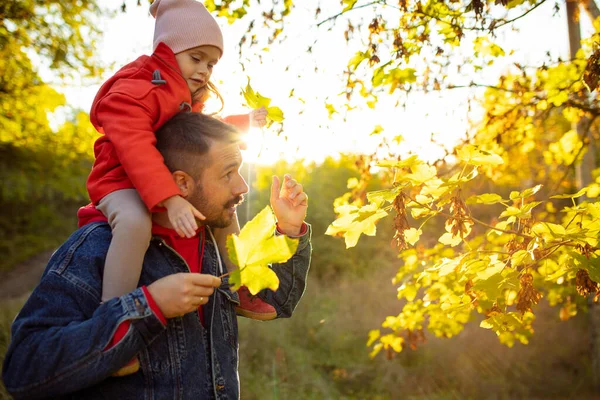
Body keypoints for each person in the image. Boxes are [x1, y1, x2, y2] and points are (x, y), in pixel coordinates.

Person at [2, 112, 311, 399]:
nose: (242, 186)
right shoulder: (98, 247)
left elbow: (276, 302)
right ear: (182, 183)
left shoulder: (215, 240)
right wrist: (149, 306)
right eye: (228, 174)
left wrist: (290, 228)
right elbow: (23, 371)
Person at [87, 0, 273, 339]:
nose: (204, 70)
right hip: (121, 180)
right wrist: (169, 198)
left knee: (224, 209)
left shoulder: (183, 95)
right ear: (166, 51)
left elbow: (199, 133)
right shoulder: (137, 88)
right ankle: (113, 321)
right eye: (195, 58)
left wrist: (242, 123)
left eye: (212, 63)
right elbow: (135, 148)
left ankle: (238, 283)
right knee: (134, 222)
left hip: (166, 179)